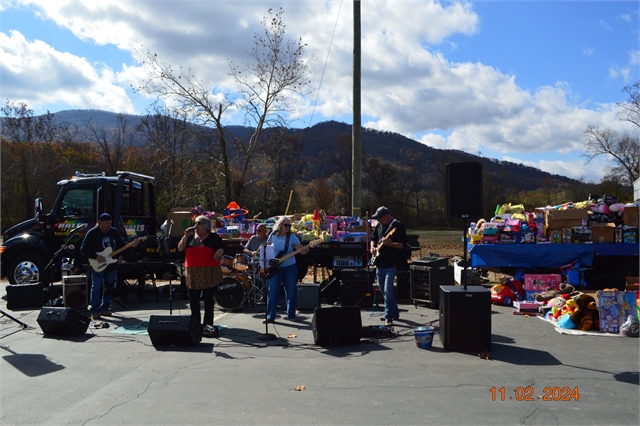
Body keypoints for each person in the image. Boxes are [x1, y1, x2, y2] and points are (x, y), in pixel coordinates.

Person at [81, 213, 140, 320]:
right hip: (97, 264)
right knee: (97, 287)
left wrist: (132, 245)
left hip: (111, 264)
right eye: (107, 223)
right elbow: (84, 248)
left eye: (110, 223)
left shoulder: (113, 232)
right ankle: (94, 310)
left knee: (109, 287)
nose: (109, 225)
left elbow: (122, 244)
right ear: (100, 223)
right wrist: (96, 256)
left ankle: (105, 308)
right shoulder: (92, 233)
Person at [177, 215, 225, 338]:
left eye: (199, 223)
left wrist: (219, 251)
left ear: (206, 226)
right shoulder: (190, 237)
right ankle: (196, 325)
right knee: (194, 301)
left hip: (208, 272)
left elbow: (222, 248)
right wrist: (186, 236)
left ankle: (208, 325)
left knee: (208, 300)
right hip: (193, 273)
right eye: (195, 223)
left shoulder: (213, 238)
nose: (196, 226)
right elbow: (180, 248)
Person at [265, 216, 309, 322]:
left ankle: (291, 315)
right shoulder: (272, 235)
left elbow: (301, 251)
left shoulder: (292, 237)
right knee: (273, 291)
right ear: (280, 225)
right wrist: (268, 265)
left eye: (289, 225)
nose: (287, 227)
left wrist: (306, 249)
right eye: (285, 225)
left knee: (291, 291)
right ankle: (270, 316)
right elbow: (267, 250)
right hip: (275, 267)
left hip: (290, 267)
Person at [370, 206, 406, 326]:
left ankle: (388, 317)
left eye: (379, 218)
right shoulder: (379, 226)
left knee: (388, 289)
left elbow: (402, 246)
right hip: (380, 262)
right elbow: (374, 237)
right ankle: (394, 312)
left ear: (386, 217)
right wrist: (372, 247)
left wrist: (390, 244)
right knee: (383, 290)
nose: (378, 220)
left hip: (392, 263)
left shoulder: (398, 226)